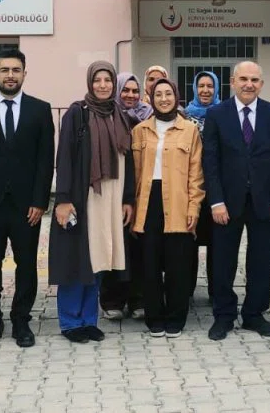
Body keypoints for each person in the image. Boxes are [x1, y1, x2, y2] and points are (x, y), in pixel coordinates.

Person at [0, 48, 55, 349]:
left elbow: (45, 160)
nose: (10, 75)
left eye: (16, 70)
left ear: (24, 73)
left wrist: (40, 201)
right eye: (4, 70)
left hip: (26, 206)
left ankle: (21, 320)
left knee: (26, 264)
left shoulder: (40, 110)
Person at [48, 61, 135, 343]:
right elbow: (64, 157)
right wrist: (63, 199)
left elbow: (129, 161)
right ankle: (70, 322)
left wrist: (127, 199)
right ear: (89, 82)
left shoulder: (120, 115)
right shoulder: (78, 113)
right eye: (97, 80)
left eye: (107, 80)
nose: (103, 85)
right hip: (84, 197)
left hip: (112, 197)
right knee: (77, 260)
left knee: (101, 258)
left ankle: (88, 319)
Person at [203, 61, 270, 341]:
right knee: (223, 261)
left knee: (261, 261)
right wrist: (216, 201)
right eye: (243, 79)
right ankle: (224, 316)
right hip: (227, 203)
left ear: (261, 84)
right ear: (232, 81)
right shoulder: (216, 114)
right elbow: (210, 162)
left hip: (264, 201)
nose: (248, 84)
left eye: (254, 80)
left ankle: (254, 314)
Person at [130, 79, 204, 338]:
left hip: (179, 201)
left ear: (176, 96)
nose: (164, 99)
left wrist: (194, 207)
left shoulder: (190, 130)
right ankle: (154, 316)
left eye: (168, 93)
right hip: (148, 202)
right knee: (149, 263)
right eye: (158, 94)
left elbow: (196, 174)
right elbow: (134, 174)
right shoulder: (139, 131)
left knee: (177, 264)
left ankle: (176, 317)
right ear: (151, 98)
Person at [99, 72, 152, 321]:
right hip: (116, 191)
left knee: (140, 247)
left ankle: (139, 298)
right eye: (125, 90)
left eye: (135, 91)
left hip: (146, 190)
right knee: (115, 245)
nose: (130, 95)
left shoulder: (149, 117)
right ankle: (112, 299)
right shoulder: (109, 117)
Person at [183, 70, 223, 304]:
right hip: (190, 189)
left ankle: (216, 291)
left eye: (210, 86)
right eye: (201, 86)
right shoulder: (184, 116)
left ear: (216, 88)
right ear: (195, 89)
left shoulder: (225, 114)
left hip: (217, 189)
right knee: (189, 241)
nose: (205, 90)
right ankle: (186, 289)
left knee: (218, 244)